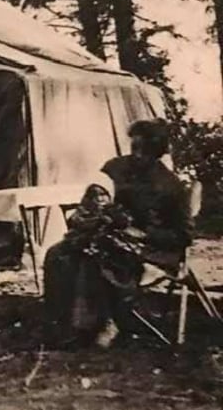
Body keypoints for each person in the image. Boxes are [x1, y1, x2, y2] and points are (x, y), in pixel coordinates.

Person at [43, 119, 194, 348]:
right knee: (58, 254)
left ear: (158, 153)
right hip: (106, 234)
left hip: (150, 247)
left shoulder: (171, 186)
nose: (137, 155)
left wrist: (144, 234)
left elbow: (183, 236)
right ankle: (60, 322)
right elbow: (94, 198)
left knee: (98, 259)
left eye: (145, 151)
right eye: (135, 148)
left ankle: (98, 324)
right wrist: (95, 214)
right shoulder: (116, 168)